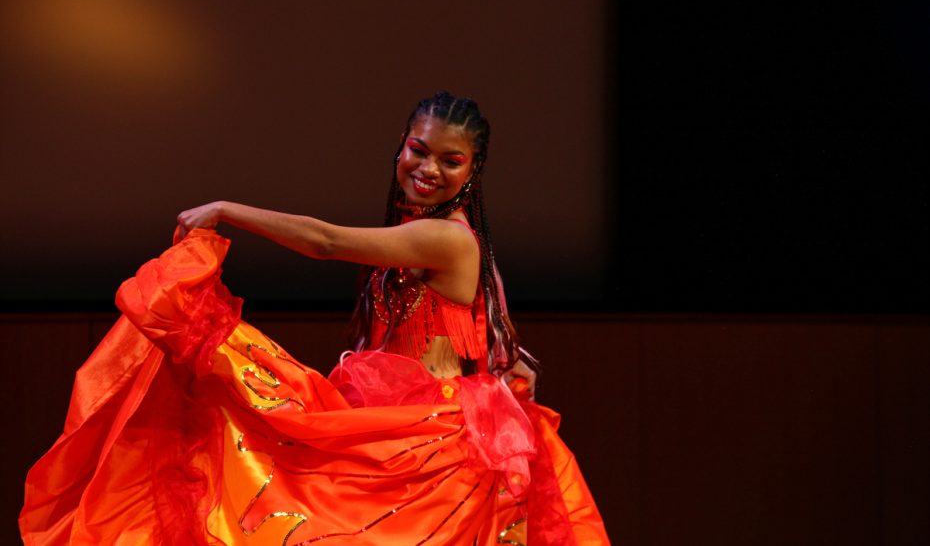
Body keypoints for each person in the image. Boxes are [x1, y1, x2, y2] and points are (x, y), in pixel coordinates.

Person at [20, 92, 609, 545]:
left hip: (438, 444)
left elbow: (325, 242)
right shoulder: (415, 233)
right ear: (401, 145)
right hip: (387, 425)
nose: (428, 168)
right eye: (417, 150)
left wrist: (228, 210)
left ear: (473, 170)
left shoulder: (447, 240)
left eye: (451, 161)